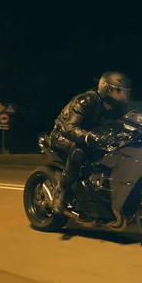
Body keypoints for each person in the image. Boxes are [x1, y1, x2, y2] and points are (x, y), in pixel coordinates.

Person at [47, 71, 132, 215]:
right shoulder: (86, 100)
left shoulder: (119, 108)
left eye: (125, 92)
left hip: (93, 136)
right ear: (107, 89)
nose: (123, 96)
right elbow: (69, 128)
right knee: (78, 152)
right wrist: (87, 136)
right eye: (119, 91)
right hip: (63, 135)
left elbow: (124, 124)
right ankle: (61, 190)